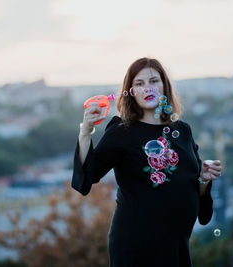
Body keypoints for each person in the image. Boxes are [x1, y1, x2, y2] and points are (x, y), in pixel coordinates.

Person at [72, 57, 222, 267]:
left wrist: (204, 178)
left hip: (177, 242)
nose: (148, 88)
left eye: (153, 81)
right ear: (131, 92)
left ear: (164, 86)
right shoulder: (121, 132)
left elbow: (193, 187)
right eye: (139, 84)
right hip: (137, 244)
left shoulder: (182, 130)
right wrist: (85, 131)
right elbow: (87, 177)